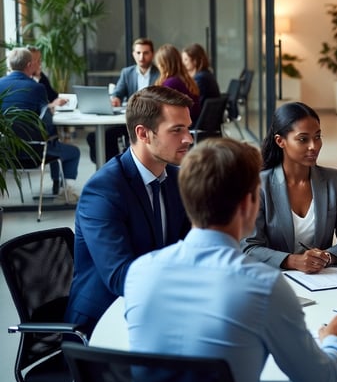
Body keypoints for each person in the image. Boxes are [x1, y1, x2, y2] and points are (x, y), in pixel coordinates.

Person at [124, 138, 337, 382]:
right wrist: (335, 341)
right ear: (249, 203)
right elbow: (319, 381)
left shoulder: (140, 272)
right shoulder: (261, 284)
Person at [242, 102, 337, 382]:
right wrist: (291, 260)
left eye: (318, 137)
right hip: (281, 288)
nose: (314, 147)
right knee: (297, 350)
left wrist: (327, 256)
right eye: (303, 139)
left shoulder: (332, 179)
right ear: (281, 141)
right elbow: (248, 246)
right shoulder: (261, 183)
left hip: (327, 283)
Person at [65, 86, 193, 336]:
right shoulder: (103, 191)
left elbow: (193, 246)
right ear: (143, 133)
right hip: (103, 322)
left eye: (188, 128)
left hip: (159, 309)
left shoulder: (178, 180)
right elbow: (120, 276)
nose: (188, 138)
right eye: (177, 130)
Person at [0, 47, 81, 201]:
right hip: (33, 153)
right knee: (72, 152)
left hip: (5, 154)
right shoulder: (36, 88)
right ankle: (66, 193)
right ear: (29, 65)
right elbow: (47, 122)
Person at [87, 37, 160, 164]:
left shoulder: (159, 73)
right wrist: (115, 99)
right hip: (129, 120)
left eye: (145, 53)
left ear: (152, 54)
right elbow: (118, 93)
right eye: (138, 53)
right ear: (133, 54)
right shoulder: (127, 72)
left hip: (150, 120)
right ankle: (111, 167)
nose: (141, 57)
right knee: (98, 137)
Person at [155, 44, 201, 122]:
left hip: (178, 125)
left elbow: (160, 109)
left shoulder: (171, 83)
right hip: (188, 123)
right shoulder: (186, 79)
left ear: (163, 64)